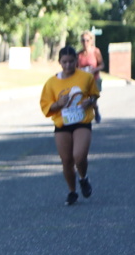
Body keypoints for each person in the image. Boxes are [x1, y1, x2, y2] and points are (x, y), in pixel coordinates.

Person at [40, 45, 100, 206]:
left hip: (82, 121)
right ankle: (72, 191)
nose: (68, 65)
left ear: (76, 61)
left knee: (79, 156)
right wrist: (58, 104)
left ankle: (83, 178)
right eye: (64, 62)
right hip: (63, 123)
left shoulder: (86, 77)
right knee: (66, 160)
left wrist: (90, 101)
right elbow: (46, 106)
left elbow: (95, 95)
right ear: (59, 62)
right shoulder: (51, 83)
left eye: (71, 62)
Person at [78, 31, 105, 123]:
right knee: (85, 99)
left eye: (87, 40)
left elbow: (102, 65)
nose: (85, 42)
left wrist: (94, 70)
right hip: (84, 81)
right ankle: (86, 116)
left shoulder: (95, 51)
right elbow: (76, 67)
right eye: (83, 40)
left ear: (91, 41)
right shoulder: (79, 54)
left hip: (94, 79)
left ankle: (96, 111)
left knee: (93, 99)